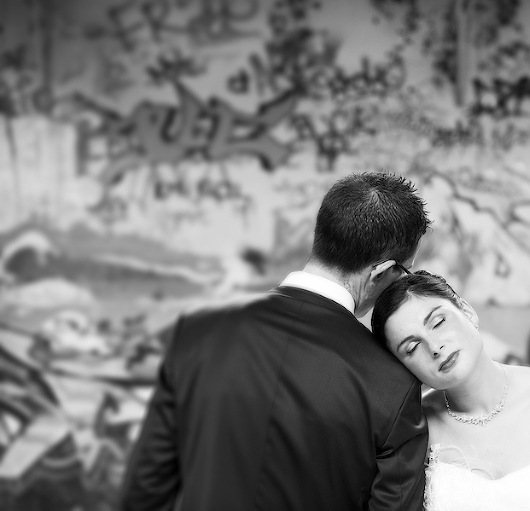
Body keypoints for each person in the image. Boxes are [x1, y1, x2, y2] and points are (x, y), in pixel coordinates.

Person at [120, 172, 432, 511]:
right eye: (405, 272)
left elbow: (143, 493)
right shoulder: (392, 384)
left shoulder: (197, 332)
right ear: (382, 271)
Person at [371, 271, 530, 511]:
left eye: (438, 322)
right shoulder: (412, 428)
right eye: (412, 348)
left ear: (466, 310)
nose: (434, 347)